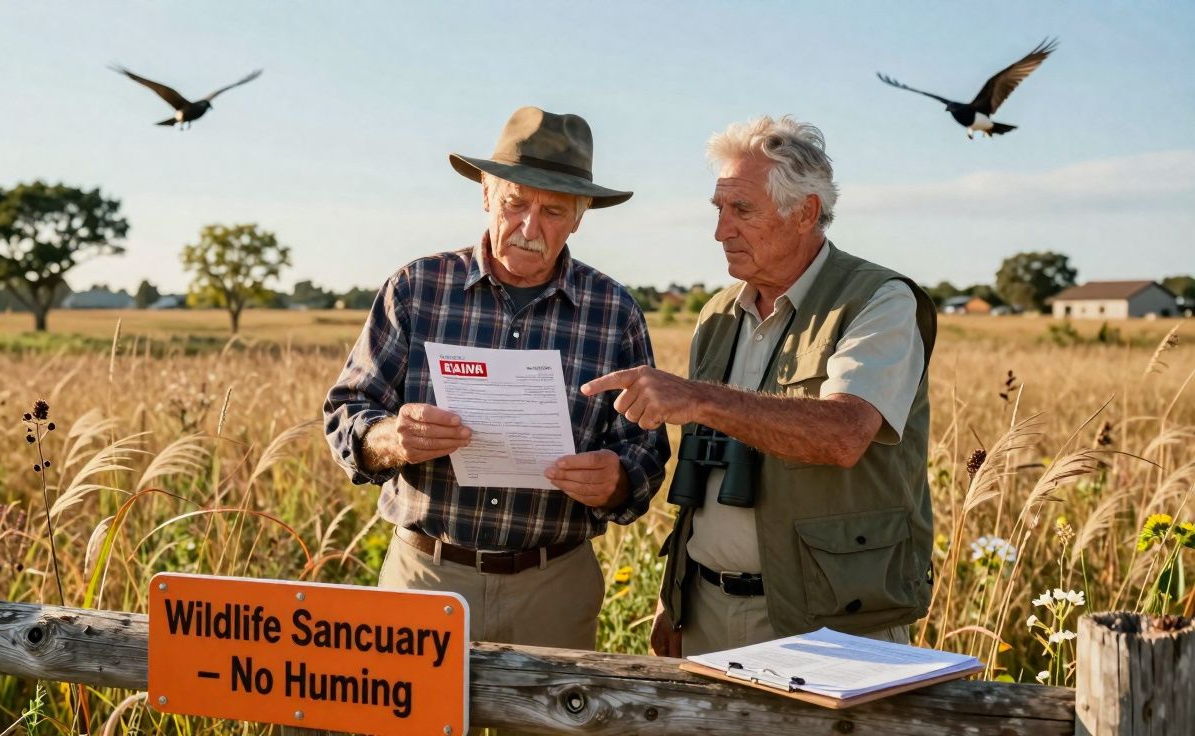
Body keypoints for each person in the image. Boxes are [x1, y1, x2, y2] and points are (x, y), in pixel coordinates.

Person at [581, 116, 936, 657]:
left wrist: (698, 397)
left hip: (833, 624)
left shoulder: (879, 302)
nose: (721, 230)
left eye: (741, 210)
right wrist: (673, 599)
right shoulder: (719, 314)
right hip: (706, 612)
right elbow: (703, 471)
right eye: (718, 210)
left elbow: (845, 434)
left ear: (806, 213)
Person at [324, 106, 670, 653]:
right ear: (486, 194)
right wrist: (392, 439)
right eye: (515, 203)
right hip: (426, 577)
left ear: (580, 217)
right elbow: (347, 414)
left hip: (554, 587)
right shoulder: (417, 288)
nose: (531, 228)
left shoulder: (614, 311)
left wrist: (618, 481)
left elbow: (646, 450)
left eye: (554, 211)